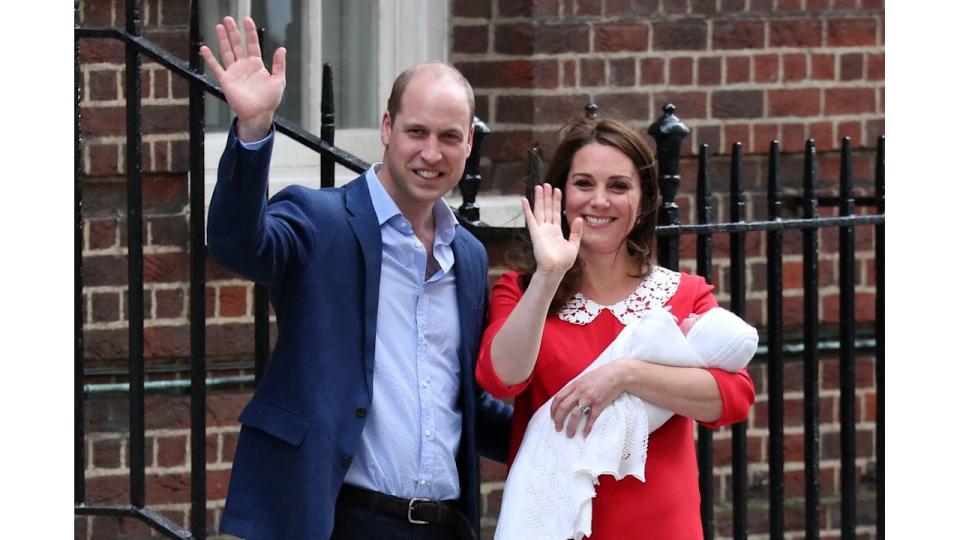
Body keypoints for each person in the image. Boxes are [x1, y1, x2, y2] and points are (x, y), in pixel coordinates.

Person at [200, 16, 512, 540]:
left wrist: (573, 426)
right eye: (416, 131)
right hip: (338, 520)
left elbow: (467, 400)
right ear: (387, 128)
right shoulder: (319, 220)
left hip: (443, 524)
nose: (431, 153)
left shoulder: (471, 256)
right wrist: (253, 130)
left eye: (449, 137)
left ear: (467, 146)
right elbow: (237, 244)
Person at [475, 116, 756, 539]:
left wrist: (626, 375)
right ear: (562, 194)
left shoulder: (684, 294)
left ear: (643, 200)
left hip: (663, 526)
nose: (599, 200)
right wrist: (549, 275)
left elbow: (734, 397)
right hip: (557, 527)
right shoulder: (521, 290)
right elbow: (501, 379)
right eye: (584, 184)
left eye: (618, 186)